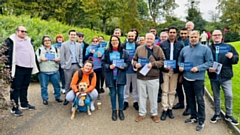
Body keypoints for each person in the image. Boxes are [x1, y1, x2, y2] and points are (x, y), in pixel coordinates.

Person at [178, 31, 213, 131]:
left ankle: (201, 120)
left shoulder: (205, 49)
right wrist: (180, 66)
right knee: (190, 98)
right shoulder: (185, 49)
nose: (193, 39)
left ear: (198, 38)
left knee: (200, 100)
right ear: (189, 37)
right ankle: (193, 116)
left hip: (198, 79)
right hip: (186, 78)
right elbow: (180, 61)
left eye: (195, 37)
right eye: (191, 37)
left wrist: (198, 68)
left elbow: (210, 62)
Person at [4, 26, 38, 116]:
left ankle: (24, 104)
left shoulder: (28, 40)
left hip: (28, 67)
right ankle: (14, 108)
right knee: (15, 88)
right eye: (22, 31)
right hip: (18, 67)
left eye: (25, 31)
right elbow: (4, 53)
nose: (24, 33)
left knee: (25, 86)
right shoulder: (11, 41)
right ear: (17, 31)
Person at [208, 30, 239, 126]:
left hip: (225, 76)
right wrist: (208, 68)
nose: (217, 37)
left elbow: (236, 59)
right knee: (216, 97)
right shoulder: (208, 49)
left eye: (218, 35)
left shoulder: (229, 47)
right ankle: (217, 113)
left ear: (222, 37)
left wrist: (231, 57)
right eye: (215, 35)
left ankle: (228, 115)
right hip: (214, 77)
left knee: (229, 95)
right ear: (212, 37)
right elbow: (204, 61)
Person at [132, 33, 165, 123]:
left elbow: (162, 62)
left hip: (153, 77)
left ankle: (154, 113)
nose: (149, 40)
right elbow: (134, 60)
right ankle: (142, 113)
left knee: (153, 96)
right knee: (142, 96)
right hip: (141, 77)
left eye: (151, 39)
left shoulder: (158, 49)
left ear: (154, 40)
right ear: (145, 39)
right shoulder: (139, 49)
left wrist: (153, 64)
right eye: (148, 38)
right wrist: (136, 64)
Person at [101, 35, 130, 121]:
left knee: (121, 93)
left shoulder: (124, 52)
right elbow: (103, 63)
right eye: (112, 40)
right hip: (110, 76)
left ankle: (121, 110)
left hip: (120, 75)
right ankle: (114, 110)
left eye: (116, 40)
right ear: (110, 42)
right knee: (113, 94)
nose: (114, 42)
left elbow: (128, 62)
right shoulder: (106, 52)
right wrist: (109, 66)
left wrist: (124, 66)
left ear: (119, 41)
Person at [159, 27, 183, 120]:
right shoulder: (162, 44)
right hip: (165, 71)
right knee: (164, 91)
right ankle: (164, 109)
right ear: (168, 33)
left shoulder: (180, 45)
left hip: (175, 71)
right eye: (170, 32)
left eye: (174, 32)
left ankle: (170, 108)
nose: (172, 34)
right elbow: (160, 58)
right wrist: (163, 66)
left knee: (172, 91)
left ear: (176, 34)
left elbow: (182, 58)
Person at [36, 35, 63, 105]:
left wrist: (58, 59)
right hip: (43, 71)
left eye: (48, 40)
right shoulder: (39, 50)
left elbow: (60, 58)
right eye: (45, 40)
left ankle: (57, 97)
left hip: (54, 70)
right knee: (44, 87)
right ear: (43, 42)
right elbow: (35, 58)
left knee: (57, 85)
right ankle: (45, 99)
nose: (47, 42)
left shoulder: (56, 49)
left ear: (51, 41)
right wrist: (40, 58)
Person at [60, 30, 83, 105]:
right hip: (68, 66)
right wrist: (63, 65)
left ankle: (79, 96)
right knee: (68, 82)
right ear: (69, 35)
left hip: (77, 65)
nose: (73, 36)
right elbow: (62, 56)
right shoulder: (64, 44)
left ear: (76, 36)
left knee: (79, 82)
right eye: (71, 34)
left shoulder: (78, 45)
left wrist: (81, 64)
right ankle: (67, 97)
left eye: (74, 35)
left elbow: (80, 55)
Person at [173, 27, 190, 116]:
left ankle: (189, 107)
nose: (183, 35)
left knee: (187, 89)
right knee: (178, 87)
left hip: (187, 69)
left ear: (188, 34)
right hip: (178, 68)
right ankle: (181, 102)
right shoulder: (179, 42)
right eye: (182, 33)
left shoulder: (189, 43)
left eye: (185, 33)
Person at [122, 32, 140, 111]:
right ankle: (125, 101)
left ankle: (135, 101)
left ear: (135, 36)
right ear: (127, 36)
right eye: (129, 36)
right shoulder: (123, 45)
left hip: (135, 69)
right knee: (126, 87)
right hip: (126, 69)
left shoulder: (138, 45)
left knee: (135, 87)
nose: (130, 37)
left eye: (132, 36)